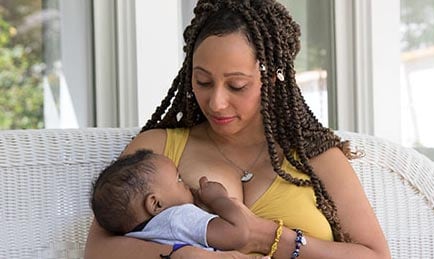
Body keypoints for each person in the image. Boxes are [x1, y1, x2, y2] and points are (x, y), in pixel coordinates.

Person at [85, 0, 391, 258]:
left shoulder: (315, 157)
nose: (216, 102)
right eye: (203, 81)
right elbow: (97, 250)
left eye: (237, 85)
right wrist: (181, 254)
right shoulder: (157, 149)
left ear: (271, 81)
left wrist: (268, 236)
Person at [91, 149, 257, 252]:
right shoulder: (177, 218)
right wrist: (219, 199)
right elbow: (238, 233)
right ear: (156, 204)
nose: (185, 183)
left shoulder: (137, 238)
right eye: (178, 179)